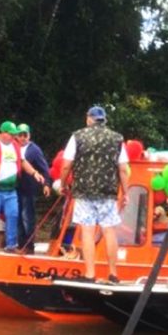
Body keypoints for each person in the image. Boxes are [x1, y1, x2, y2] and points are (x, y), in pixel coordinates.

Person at [59, 105, 129, 283]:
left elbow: (66, 164)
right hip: (107, 193)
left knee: (88, 232)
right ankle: (113, 274)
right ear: (104, 120)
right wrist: (125, 193)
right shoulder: (117, 138)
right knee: (109, 231)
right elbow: (122, 170)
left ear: (89, 118)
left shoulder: (78, 136)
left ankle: (90, 274)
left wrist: (62, 183)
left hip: (84, 192)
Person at [0, 121, 45, 252]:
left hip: (10, 189)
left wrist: (34, 172)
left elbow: (23, 161)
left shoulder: (15, 146)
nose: (13, 137)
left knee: (13, 214)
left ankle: (11, 245)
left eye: (14, 134)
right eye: (11, 134)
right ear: (3, 133)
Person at [15, 123, 52, 249]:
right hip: (15, 186)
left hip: (29, 187)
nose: (23, 138)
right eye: (20, 135)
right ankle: (20, 243)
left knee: (27, 216)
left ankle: (29, 243)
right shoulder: (13, 147)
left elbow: (44, 167)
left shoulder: (34, 150)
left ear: (29, 136)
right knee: (17, 216)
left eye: (25, 135)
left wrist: (46, 183)